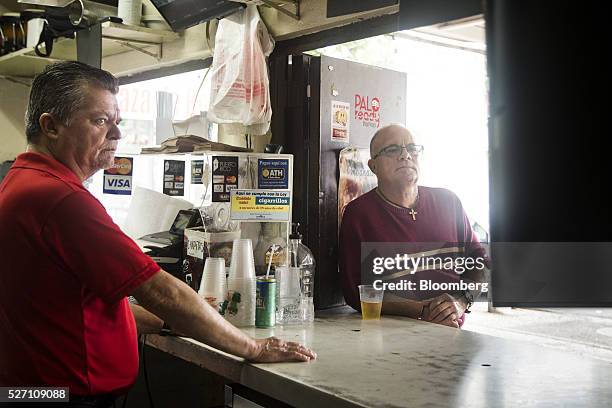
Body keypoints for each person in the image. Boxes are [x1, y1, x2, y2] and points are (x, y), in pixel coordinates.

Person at [0, 61, 316, 407]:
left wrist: (172, 322)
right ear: (51, 126)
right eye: (100, 120)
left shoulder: (20, 183)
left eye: (116, 121)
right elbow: (158, 290)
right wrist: (252, 347)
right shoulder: (60, 199)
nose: (117, 134)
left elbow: (73, 301)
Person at [338, 124, 486, 328]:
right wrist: (422, 310)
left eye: (412, 149)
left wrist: (461, 302)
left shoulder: (449, 202)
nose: (405, 155)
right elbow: (356, 292)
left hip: (452, 334)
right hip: (388, 336)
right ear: (373, 166)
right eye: (392, 150)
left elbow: (479, 261)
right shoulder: (358, 214)